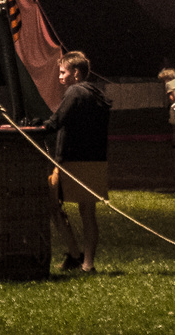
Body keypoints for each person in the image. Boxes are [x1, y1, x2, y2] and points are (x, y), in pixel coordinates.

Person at [46, 50, 110, 274]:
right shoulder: (96, 94)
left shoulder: (74, 91)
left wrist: (35, 128)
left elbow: (56, 121)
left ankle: (74, 253)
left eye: (63, 72)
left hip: (72, 159)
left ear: (76, 73)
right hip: (95, 159)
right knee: (88, 213)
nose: (60, 77)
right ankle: (87, 263)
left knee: (52, 205)